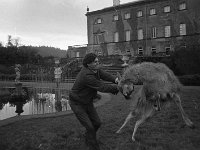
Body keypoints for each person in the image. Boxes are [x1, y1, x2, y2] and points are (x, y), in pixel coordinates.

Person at [69, 53, 119, 150]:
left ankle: (88, 137)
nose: (98, 63)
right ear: (88, 64)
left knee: (97, 123)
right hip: (77, 103)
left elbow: (106, 75)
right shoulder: (86, 75)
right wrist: (118, 88)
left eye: (98, 61)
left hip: (87, 102)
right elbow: (101, 86)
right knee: (90, 127)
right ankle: (93, 146)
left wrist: (116, 80)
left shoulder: (95, 70)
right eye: (95, 62)